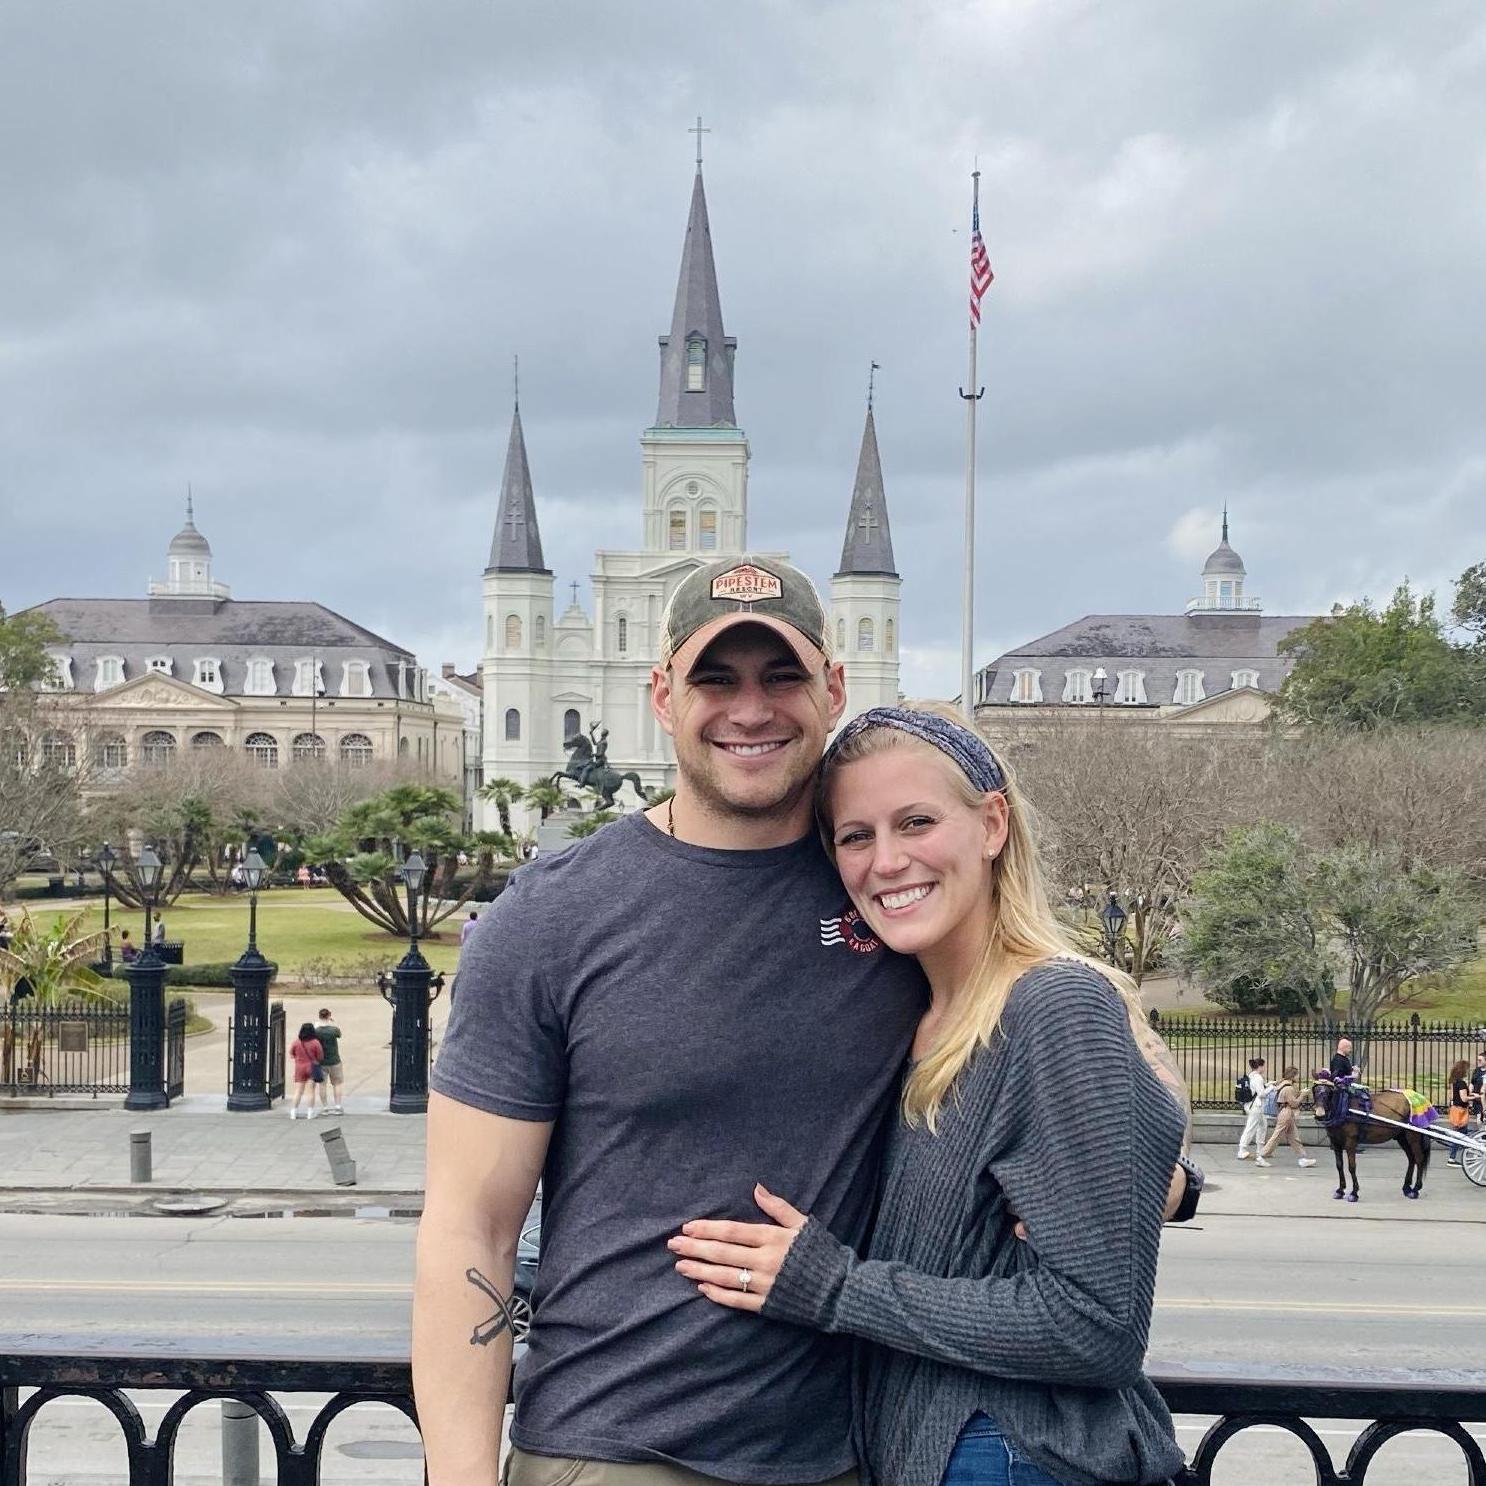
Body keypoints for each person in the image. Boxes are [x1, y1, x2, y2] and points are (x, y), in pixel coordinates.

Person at [413, 558, 1197, 1486]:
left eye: (781, 676)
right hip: (617, 1446)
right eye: (717, 678)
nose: (751, 709)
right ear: (663, 694)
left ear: (832, 688)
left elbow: (1063, 1025)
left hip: (847, 1454)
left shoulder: (889, 897)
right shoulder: (552, 916)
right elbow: (471, 1226)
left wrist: (1154, 1179)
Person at [670, 704, 1189, 1486]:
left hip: (1021, 1454)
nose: (887, 861)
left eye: (916, 822)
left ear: (991, 825)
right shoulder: (907, 1015)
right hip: (927, 1450)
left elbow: (1097, 1327)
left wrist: (837, 1288)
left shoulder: (1053, 1006)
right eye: (856, 836)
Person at [1259, 1066, 1317, 1167]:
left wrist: (1300, 1093)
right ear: (1293, 1076)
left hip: (1284, 1112)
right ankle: (1261, 1156)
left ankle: (1302, 1158)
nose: (1298, 1078)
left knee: (1294, 1137)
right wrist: (1303, 1095)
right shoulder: (1288, 1088)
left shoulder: (1282, 1085)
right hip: (1287, 1113)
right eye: (1297, 1075)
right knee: (1277, 1136)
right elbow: (1294, 1103)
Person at [288, 1022, 324, 1120]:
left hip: (299, 1067)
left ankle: (293, 1112)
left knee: (298, 1091)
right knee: (311, 1091)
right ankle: (310, 1113)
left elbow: (291, 1054)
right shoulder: (315, 1042)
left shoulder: (296, 1042)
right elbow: (320, 1056)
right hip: (311, 1067)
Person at [1236, 1056, 1269, 1162]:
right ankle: (1242, 1150)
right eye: (1264, 1066)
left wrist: (1268, 1085)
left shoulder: (1251, 1076)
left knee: (1263, 1125)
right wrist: (1272, 1088)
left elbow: (1254, 1089)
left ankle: (1260, 1149)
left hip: (1250, 1105)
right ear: (1260, 1066)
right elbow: (1262, 1094)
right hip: (1256, 1106)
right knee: (1251, 1127)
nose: (1264, 1068)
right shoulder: (1258, 1077)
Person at [314, 1008, 344, 1116]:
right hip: (334, 1060)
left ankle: (325, 1107)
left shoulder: (316, 1031)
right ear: (329, 1015)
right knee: (337, 1084)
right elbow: (339, 1033)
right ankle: (338, 1106)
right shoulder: (333, 1030)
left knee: (322, 1085)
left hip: (321, 1061)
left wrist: (316, 1025)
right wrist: (332, 1022)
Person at [1446, 1059, 1472, 1164]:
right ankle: (1452, 1158)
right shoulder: (1461, 1083)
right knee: (1460, 1134)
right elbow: (1464, 1099)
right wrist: (1475, 1097)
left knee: (1462, 1133)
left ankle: (1466, 1155)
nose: (1468, 1071)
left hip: (1455, 1110)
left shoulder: (1453, 1081)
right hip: (1461, 1111)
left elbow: (1452, 1097)